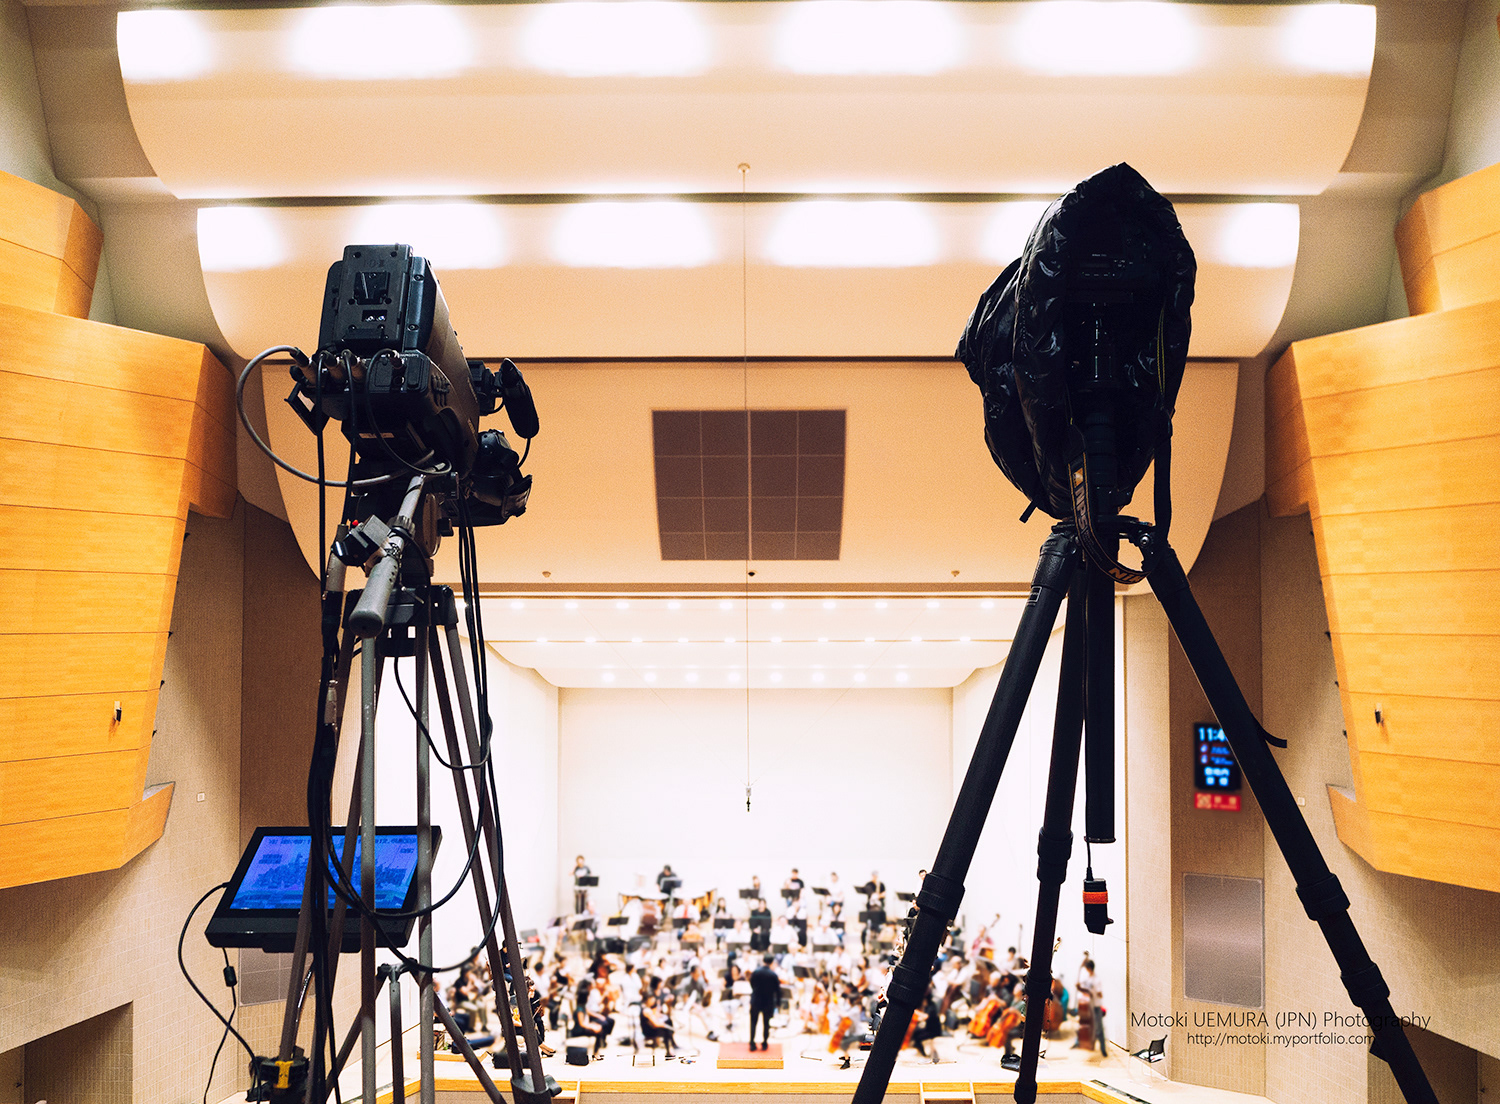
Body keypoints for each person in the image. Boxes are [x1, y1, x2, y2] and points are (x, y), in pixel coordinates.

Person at [749, 952, 781, 1051]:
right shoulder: (773, 975)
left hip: (756, 1000)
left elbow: (752, 984)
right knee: (766, 1024)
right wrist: (778, 1003)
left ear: (763, 961)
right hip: (768, 1001)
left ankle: (752, 1043)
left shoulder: (756, 972)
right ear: (772, 962)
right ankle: (764, 1043)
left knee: (753, 1022)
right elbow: (777, 991)